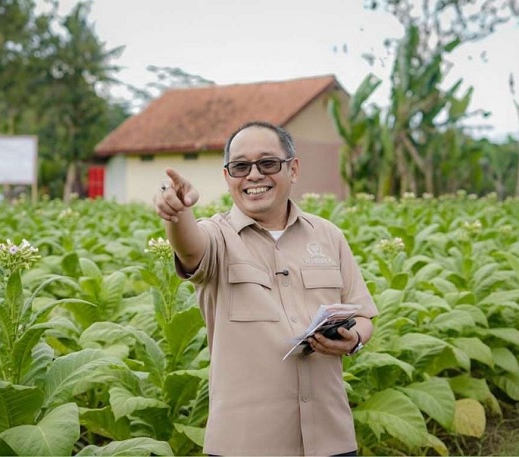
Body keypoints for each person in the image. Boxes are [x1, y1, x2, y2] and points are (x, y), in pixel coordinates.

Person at [154, 121, 378, 456]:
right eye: (241, 166)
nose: (254, 175)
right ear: (228, 177)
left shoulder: (328, 235)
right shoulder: (217, 236)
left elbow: (363, 316)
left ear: (294, 169)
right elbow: (190, 248)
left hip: (331, 439)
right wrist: (178, 213)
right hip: (245, 443)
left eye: (268, 163)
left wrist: (354, 338)